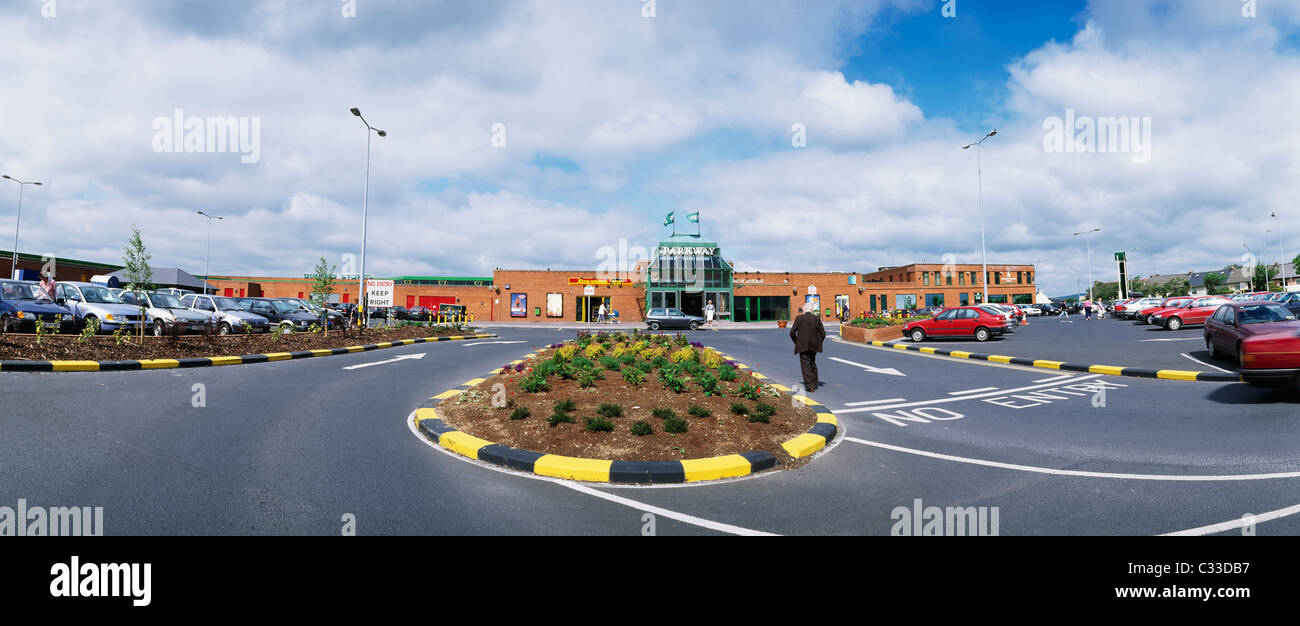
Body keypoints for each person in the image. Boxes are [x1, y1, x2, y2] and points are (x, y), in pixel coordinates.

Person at [789, 302, 826, 394]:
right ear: (811, 310)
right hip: (814, 345)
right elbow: (823, 333)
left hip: (802, 345)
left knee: (805, 365)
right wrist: (818, 342)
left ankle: (810, 386)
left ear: (804, 310)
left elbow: (792, 332)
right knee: (812, 361)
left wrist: (797, 341)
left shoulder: (799, 318)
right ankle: (814, 381)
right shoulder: (816, 319)